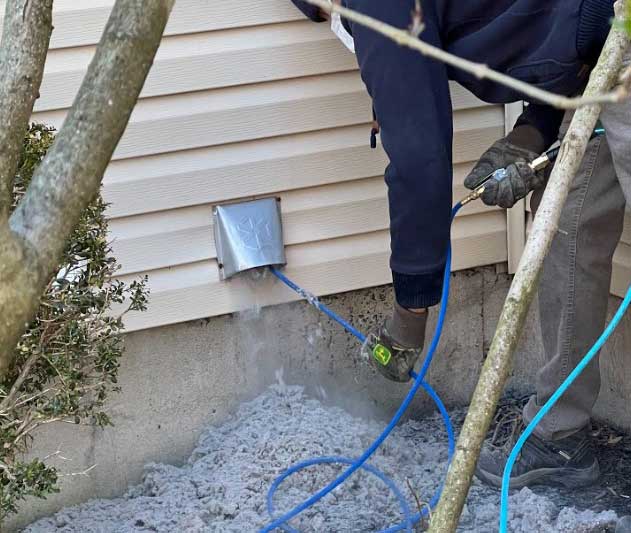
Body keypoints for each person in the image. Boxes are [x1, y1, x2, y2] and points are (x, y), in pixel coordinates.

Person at [290, 0, 631, 526]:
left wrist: (408, 319)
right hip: (602, 43)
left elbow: (421, 163)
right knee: (570, 220)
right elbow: (556, 24)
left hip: (622, 36)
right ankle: (561, 439)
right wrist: (533, 133)